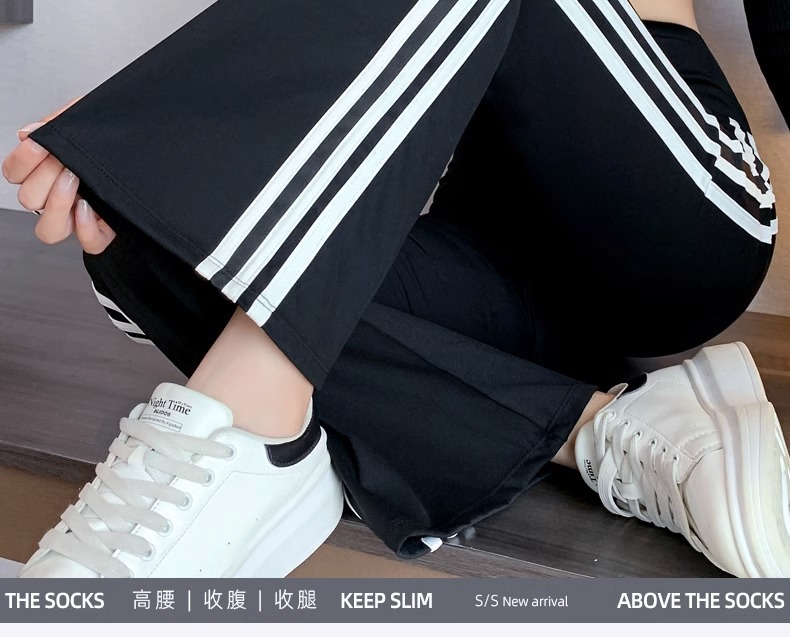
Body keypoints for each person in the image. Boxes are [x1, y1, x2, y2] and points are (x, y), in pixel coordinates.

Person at [2, 0, 789, 579]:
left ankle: (254, 443)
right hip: (488, 249)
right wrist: (146, 154)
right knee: (143, 228)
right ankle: (592, 427)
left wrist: (145, 126)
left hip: (675, 208)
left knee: (176, 197)